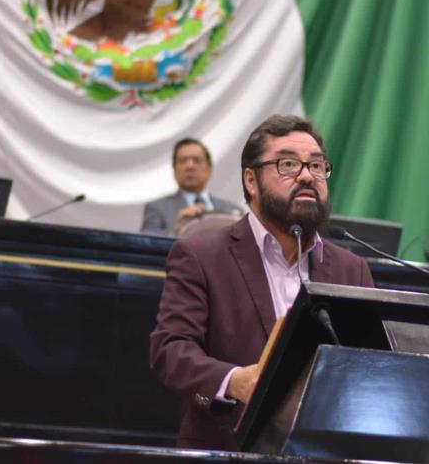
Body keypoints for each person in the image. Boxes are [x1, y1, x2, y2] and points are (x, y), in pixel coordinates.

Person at [149, 115, 374, 450]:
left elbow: (369, 367)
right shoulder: (201, 255)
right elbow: (170, 351)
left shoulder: (352, 269)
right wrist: (235, 381)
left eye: (316, 166)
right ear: (251, 181)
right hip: (227, 448)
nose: (306, 175)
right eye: (287, 164)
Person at [140, 138, 243, 235]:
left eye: (197, 160)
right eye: (183, 161)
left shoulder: (233, 212)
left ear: (209, 169)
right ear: (174, 170)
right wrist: (176, 230)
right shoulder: (157, 209)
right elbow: (146, 247)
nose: (190, 166)